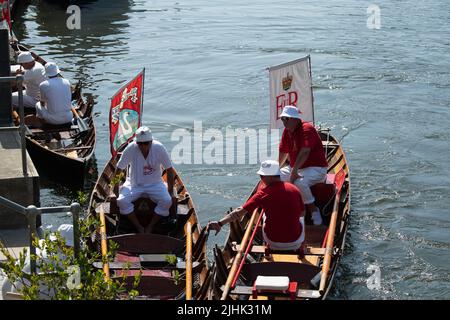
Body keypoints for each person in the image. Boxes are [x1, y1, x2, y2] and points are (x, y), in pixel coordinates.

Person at [208, 160, 305, 251]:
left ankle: (266, 245)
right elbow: (302, 213)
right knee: (301, 218)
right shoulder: (294, 189)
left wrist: (220, 223)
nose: (261, 179)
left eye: (261, 176)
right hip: (295, 242)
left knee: (263, 214)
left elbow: (239, 213)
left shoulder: (262, 194)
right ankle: (302, 246)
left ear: (267, 177)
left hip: (272, 241)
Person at [115, 126, 175, 234]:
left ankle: (150, 226)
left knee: (167, 201)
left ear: (151, 141)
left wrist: (170, 191)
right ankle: (138, 226)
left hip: (155, 184)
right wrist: (115, 190)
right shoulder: (131, 148)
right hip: (134, 184)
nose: (143, 146)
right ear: (136, 143)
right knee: (121, 201)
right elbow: (119, 169)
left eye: (146, 143)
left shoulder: (159, 148)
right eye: (140, 143)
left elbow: (169, 169)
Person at [278, 105, 328, 225]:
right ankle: (282, 206)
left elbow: (305, 151)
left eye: (287, 119)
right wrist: (276, 169)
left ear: (295, 119)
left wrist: (294, 171)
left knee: (299, 182)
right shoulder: (287, 131)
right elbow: (283, 151)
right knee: (276, 176)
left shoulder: (307, 129)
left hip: (316, 169)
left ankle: (313, 209)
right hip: (296, 167)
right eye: (283, 119)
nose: (284, 122)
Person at [1, 224, 74, 300]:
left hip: (8, 292)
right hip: (26, 295)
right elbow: (75, 289)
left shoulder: (39, 243)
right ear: (66, 246)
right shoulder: (64, 259)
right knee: (66, 289)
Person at [24, 62, 73, 127]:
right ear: (57, 71)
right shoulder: (67, 81)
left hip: (53, 120)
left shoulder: (43, 84)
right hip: (69, 117)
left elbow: (42, 103)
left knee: (37, 104)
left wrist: (42, 98)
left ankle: (41, 122)